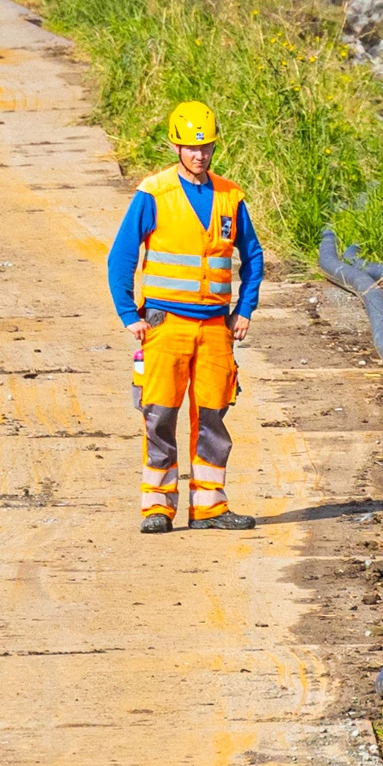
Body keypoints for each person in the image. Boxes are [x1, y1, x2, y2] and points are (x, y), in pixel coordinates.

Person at [108, 98, 264, 532]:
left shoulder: (231, 196)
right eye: (192, 147)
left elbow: (253, 257)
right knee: (159, 415)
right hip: (165, 325)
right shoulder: (154, 193)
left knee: (212, 417)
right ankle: (157, 508)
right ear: (175, 146)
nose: (200, 155)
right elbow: (121, 257)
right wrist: (129, 314)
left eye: (206, 146)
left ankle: (209, 508)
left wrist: (244, 309)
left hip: (215, 327)